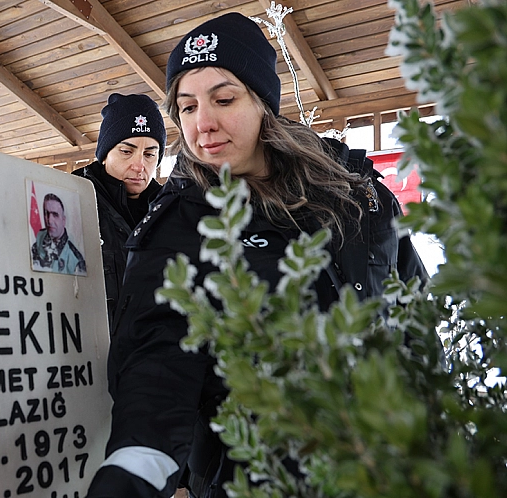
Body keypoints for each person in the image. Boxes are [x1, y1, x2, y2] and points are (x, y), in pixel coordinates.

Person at [84, 12, 428, 498]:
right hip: (261, 479)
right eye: (186, 107)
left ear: (263, 101)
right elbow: (156, 367)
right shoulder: (181, 224)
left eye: (223, 99)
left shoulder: (357, 192)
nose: (203, 124)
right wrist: (133, 474)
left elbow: (414, 310)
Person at [72, 93, 166, 328]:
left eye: (149, 154)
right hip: (88, 343)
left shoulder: (170, 209)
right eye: (126, 151)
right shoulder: (70, 199)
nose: (139, 166)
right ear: (105, 155)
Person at [31, 192, 87, 275]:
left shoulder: (75, 260)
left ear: (63, 221)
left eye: (55, 215)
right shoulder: (39, 242)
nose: (49, 221)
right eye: (46, 214)